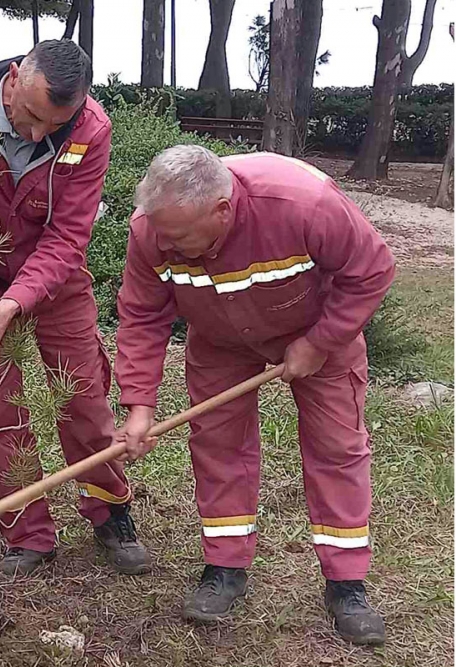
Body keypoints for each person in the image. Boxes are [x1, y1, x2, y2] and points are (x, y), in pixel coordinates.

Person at [114, 146, 395, 645]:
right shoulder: (152, 229)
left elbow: (371, 269)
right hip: (219, 341)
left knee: (336, 449)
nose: (166, 245)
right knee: (219, 449)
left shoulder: (303, 203)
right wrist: (140, 405)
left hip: (318, 332)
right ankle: (224, 568)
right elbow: (142, 315)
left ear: (222, 210)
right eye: (160, 232)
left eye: (178, 236)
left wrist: (319, 343)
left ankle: (346, 585)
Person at [0, 40, 150, 578]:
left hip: (55, 277)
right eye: (30, 116)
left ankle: (108, 510)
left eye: (51, 126)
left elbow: (67, 237)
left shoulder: (91, 130)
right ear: (13, 77)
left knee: (82, 393)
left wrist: (17, 301)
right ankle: (26, 535)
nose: (37, 134)